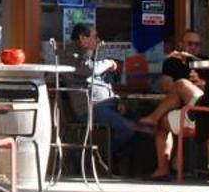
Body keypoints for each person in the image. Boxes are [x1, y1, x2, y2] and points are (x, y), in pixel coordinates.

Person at [59, 23, 145, 160]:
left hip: (106, 104)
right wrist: (108, 62)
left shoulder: (87, 55)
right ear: (83, 38)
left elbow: (102, 82)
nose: (98, 40)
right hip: (91, 108)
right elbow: (88, 70)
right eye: (95, 36)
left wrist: (117, 100)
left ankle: (117, 160)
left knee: (145, 124)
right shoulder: (71, 54)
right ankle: (106, 160)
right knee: (128, 128)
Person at [138, 53, 207, 179]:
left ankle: (153, 117)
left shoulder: (206, 62)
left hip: (203, 112)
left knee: (181, 84)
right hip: (197, 112)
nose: (193, 48)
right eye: (190, 44)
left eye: (197, 44)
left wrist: (200, 84)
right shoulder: (172, 62)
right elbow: (166, 86)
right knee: (163, 120)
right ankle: (165, 167)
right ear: (182, 45)